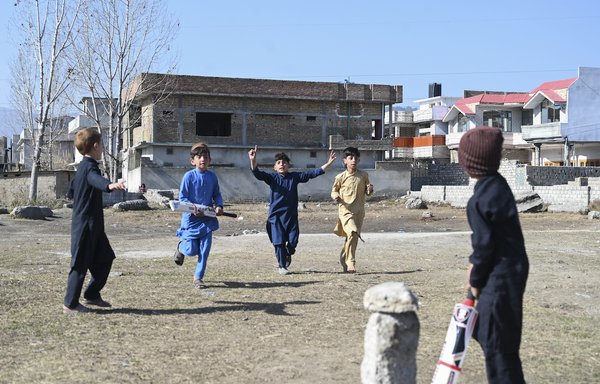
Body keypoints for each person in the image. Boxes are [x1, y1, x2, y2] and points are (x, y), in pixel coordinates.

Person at [458, 126, 529, 384]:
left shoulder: (479, 200)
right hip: (512, 274)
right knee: (500, 343)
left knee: (498, 348)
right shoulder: (498, 185)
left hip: (497, 279)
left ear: (470, 161)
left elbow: (483, 248)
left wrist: (474, 282)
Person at [63, 128, 126, 314]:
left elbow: (76, 186)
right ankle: (70, 304)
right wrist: (110, 185)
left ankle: (91, 295)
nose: (103, 149)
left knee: (106, 258)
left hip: (95, 226)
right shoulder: (89, 166)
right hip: (85, 226)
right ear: (96, 146)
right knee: (80, 264)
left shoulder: (83, 166)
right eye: (102, 146)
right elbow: (94, 179)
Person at [248, 146, 336, 275]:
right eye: (278, 163)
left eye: (284, 162)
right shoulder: (272, 178)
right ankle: (282, 265)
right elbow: (257, 173)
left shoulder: (294, 177)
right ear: (275, 167)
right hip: (275, 217)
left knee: (293, 241)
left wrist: (328, 164)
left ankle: (288, 253)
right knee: (279, 242)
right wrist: (253, 160)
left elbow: (313, 173)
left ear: (288, 165)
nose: (281, 164)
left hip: (291, 216)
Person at [173, 143, 223, 289]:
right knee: (192, 250)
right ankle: (181, 247)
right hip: (191, 219)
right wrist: (193, 208)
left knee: (204, 250)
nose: (203, 159)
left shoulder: (212, 177)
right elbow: (183, 197)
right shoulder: (188, 176)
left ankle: (198, 278)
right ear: (192, 161)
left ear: (210, 160)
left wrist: (219, 206)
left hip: (207, 219)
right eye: (199, 157)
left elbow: (217, 194)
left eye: (205, 157)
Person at [330, 147, 373, 273]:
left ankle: (344, 258)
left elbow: (368, 192)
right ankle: (351, 262)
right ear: (345, 161)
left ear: (359, 160)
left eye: (356, 158)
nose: (353, 160)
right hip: (345, 211)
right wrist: (336, 196)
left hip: (359, 212)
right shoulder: (340, 177)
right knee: (353, 233)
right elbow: (334, 191)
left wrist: (370, 189)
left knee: (352, 237)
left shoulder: (364, 175)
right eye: (350, 158)